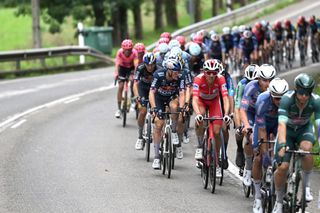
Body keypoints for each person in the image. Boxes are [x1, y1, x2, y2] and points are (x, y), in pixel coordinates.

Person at [272, 73, 320, 213]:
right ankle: (279, 201)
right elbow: (281, 124)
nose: (304, 97)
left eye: (307, 94)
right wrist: (281, 144)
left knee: (307, 150)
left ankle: (306, 186)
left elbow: (318, 124)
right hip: (287, 132)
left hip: (304, 130)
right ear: (296, 90)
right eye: (301, 93)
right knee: (282, 167)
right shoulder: (287, 99)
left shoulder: (316, 101)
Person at [251, 78, 289, 213]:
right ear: (271, 94)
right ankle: (257, 196)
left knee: (283, 156)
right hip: (264, 125)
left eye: (282, 99)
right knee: (258, 156)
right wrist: (265, 153)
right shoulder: (262, 100)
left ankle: (282, 190)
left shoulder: (289, 101)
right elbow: (261, 130)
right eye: (276, 98)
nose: (279, 102)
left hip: (279, 125)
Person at [192, 59, 231, 176]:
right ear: (204, 72)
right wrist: (198, 114)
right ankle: (200, 146)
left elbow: (225, 98)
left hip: (214, 102)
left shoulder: (221, 79)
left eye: (214, 72)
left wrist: (226, 115)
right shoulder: (198, 79)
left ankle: (217, 160)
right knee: (200, 118)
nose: (211, 75)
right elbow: (194, 99)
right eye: (208, 72)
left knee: (217, 130)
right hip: (201, 102)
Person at [240, 64, 276, 186]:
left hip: (265, 116)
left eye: (270, 80)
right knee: (250, 137)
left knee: (271, 138)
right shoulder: (251, 87)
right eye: (264, 80)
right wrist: (246, 125)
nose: (268, 84)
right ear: (258, 79)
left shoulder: (276, 89)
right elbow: (243, 109)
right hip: (251, 113)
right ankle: (248, 168)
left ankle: (270, 166)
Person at [149, 58, 186, 169]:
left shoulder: (180, 76)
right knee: (159, 125)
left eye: (179, 71)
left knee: (175, 107)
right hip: (159, 99)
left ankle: (173, 131)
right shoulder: (158, 75)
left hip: (171, 97)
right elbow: (151, 92)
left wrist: (182, 107)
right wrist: (154, 107)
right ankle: (156, 157)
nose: (178, 73)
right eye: (176, 71)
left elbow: (182, 93)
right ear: (169, 71)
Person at [234, 64, 259, 175]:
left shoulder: (263, 85)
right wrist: (239, 125)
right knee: (242, 132)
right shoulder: (242, 84)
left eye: (254, 80)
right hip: (246, 110)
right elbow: (238, 107)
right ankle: (240, 149)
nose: (251, 84)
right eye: (249, 80)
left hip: (259, 112)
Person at [134, 53, 159, 150]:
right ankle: (140, 137)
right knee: (143, 111)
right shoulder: (140, 68)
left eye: (152, 64)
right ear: (144, 64)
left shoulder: (159, 69)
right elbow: (135, 83)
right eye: (148, 65)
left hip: (155, 90)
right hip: (143, 89)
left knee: (156, 112)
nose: (150, 67)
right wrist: (137, 96)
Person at [114, 39, 138, 118]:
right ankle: (118, 108)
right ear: (123, 49)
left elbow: (136, 65)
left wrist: (135, 75)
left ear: (132, 49)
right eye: (126, 50)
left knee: (132, 82)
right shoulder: (120, 52)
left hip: (131, 68)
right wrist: (116, 73)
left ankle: (133, 99)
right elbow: (117, 63)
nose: (127, 52)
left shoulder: (134, 52)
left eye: (129, 50)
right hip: (122, 68)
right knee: (121, 86)